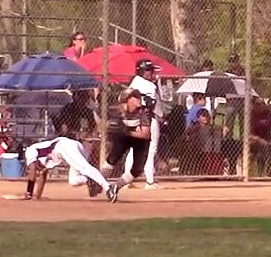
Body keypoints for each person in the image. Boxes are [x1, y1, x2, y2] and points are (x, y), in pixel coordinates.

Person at [22, 135, 118, 202]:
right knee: (73, 181)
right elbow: (43, 175)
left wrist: (29, 193)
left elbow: (33, 170)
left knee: (84, 168)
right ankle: (90, 180)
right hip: (72, 146)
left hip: (63, 146)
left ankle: (108, 187)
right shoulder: (40, 157)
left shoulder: (30, 150)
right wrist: (37, 196)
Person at [124, 59, 164, 189]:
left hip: (134, 120)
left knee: (133, 149)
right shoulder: (148, 85)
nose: (150, 73)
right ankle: (150, 181)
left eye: (151, 70)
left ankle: (126, 180)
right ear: (141, 71)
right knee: (151, 150)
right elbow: (151, 105)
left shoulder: (134, 82)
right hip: (147, 119)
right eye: (148, 71)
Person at [104, 88, 152, 189]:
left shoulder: (143, 112)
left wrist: (127, 132)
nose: (139, 99)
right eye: (135, 97)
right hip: (124, 138)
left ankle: (116, 186)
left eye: (139, 97)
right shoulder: (118, 112)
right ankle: (98, 181)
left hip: (140, 141)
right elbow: (108, 127)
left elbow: (145, 134)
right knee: (112, 159)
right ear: (127, 100)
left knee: (137, 170)